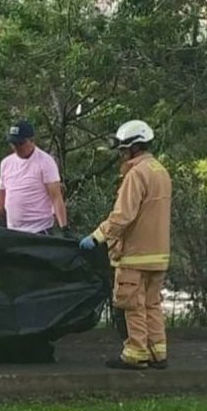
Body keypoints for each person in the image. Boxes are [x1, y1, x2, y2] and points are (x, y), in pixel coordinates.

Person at [79, 120, 172, 370]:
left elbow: (124, 215)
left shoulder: (136, 174)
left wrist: (98, 236)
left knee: (132, 304)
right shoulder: (160, 170)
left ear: (133, 147)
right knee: (152, 304)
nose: (121, 154)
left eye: (123, 149)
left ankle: (136, 353)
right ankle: (157, 352)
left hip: (135, 253)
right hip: (158, 254)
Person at [0, 120, 70, 235]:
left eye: (20, 144)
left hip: (39, 231)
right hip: (13, 232)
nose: (16, 148)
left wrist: (64, 227)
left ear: (31, 141)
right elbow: (0, 196)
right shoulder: (6, 163)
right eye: (13, 144)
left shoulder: (45, 162)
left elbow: (56, 197)